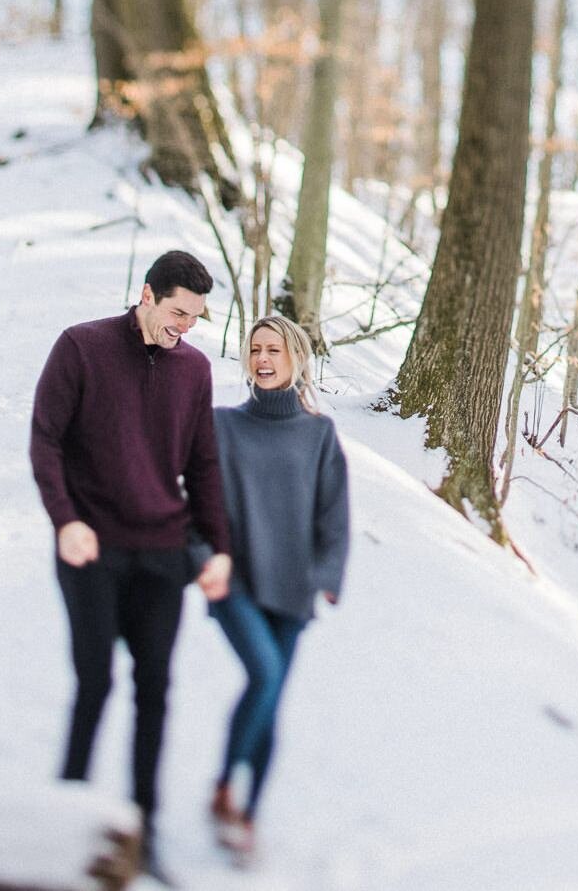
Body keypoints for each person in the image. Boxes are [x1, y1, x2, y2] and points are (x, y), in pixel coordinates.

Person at [29, 249, 234, 885]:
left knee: (154, 691)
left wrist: (218, 546)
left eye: (196, 318)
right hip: (92, 547)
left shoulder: (193, 370)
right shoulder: (81, 347)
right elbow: (46, 440)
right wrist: (66, 520)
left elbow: (202, 464)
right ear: (146, 296)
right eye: (178, 312)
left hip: (161, 553)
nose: (185, 327)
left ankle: (145, 833)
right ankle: (64, 825)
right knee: (95, 682)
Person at [203, 314, 351, 859]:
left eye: (274, 350)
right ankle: (223, 788)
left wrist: (328, 575)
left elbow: (334, 515)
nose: (263, 359)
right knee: (264, 674)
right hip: (236, 580)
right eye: (256, 350)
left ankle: (247, 814)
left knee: (271, 697)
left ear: (296, 359)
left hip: (292, 587)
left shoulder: (318, 433)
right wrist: (204, 558)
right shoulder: (222, 425)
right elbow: (198, 503)